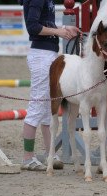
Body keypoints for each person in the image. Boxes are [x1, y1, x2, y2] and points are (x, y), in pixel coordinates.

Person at [19, 0, 79, 171]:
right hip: (41, 56)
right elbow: (33, 27)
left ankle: (50, 153)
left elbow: (46, 24)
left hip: (49, 54)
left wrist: (65, 30)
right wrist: (59, 32)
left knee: (47, 107)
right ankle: (27, 157)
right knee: (37, 105)